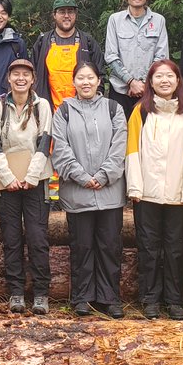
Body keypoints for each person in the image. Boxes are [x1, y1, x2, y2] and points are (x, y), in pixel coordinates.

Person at [51, 62, 128, 318]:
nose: (86, 82)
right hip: (78, 192)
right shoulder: (64, 111)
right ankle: (82, 297)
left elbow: (120, 145)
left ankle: (110, 298)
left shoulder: (113, 108)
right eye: (81, 78)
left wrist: (104, 175)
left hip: (110, 192)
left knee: (109, 246)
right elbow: (60, 147)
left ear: (98, 81)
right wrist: (82, 177)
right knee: (81, 246)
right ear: (74, 82)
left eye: (90, 78)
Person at [126, 59, 183, 320]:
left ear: (178, 80)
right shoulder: (141, 111)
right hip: (147, 193)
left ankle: (175, 300)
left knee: (177, 249)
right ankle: (150, 299)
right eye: (158, 76)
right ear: (150, 82)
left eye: (169, 76)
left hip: (179, 195)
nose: (164, 81)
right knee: (148, 248)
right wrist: (135, 187)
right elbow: (132, 150)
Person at [0, 59, 53, 315]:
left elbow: (45, 142)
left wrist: (31, 176)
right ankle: (16, 292)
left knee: (37, 239)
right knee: (11, 239)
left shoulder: (42, 106)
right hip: (6, 184)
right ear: (9, 79)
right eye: (16, 74)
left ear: (33, 79)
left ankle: (41, 293)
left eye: (26, 74)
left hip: (36, 182)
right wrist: (8, 178)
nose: (20, 78)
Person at [104, 0, 169, 117]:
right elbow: (111, 56)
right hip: (120, 90)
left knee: (149, 130)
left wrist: (144, 83)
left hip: (150, 90)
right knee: (120, 129)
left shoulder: (159, 21)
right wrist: (131, 82)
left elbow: (161, 57)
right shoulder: (115, 20)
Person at [31, 0, 106, 110]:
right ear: (54, 15)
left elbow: (100, 75)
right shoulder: (42, 42)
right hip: (48, 110)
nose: (66, 16)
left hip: (83, 110)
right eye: (62, 12)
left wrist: (93, 104)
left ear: (75, 15)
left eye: (70, 12)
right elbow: (32, 75)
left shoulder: (88, 42)